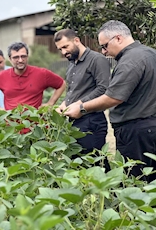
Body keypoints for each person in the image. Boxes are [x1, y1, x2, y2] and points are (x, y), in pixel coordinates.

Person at [64, 20, 156, 182]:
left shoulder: (130, 61)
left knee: (136, 184)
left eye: (105, 46)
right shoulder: (150, 53)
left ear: (118, 38)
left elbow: (113, 97)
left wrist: (82, 108)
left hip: (135, 132)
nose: (104, 52)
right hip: (150, 127)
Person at [54, 29, 110, 170]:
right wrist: (64, 104)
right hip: (74, 121)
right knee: (80, 166)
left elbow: (104, 88)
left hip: (92, 120)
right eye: (60, 49)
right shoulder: (72, 63)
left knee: (96, 166)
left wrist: (79, 104)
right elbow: (73, 91)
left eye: (65, 47)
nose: (63, 52)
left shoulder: (97, 59)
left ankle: (116, 191)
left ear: (77, 40)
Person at [0, 42, 66, 112]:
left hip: (36, 125)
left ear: (27, 56)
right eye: (16, 57)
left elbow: (61, 84)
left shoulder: (41, 73)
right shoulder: (2, 76)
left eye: (23, 56)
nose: (20, 60)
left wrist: (50, 103)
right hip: (11, 126)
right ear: (10, 59)